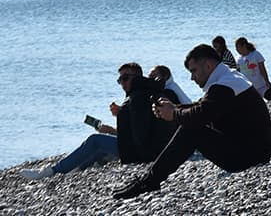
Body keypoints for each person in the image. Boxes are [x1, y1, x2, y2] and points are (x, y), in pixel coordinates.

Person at [111, 44, 271, 200]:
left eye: (194, 71)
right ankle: (148, 179)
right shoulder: (229, 77)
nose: (192, 77)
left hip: (249, 157)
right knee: (191, 123)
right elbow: (204, 107)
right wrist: (175, 108)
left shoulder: (224, 85)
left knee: (191, 129)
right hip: (254, 150)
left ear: (209, 65)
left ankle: (149, 182)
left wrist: (174, 113)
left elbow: (200, 114)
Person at [21, 62, 178, 180]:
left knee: (95, 140)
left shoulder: (137, 97)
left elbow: (140, 133)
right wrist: (121, 117)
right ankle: (71, 171)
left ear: (137, 77)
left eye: (125, 78)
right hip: (144, 149)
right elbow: (138, 128)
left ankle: (52, 172)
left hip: (141, 153)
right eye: (120, 80)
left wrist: (118, 130)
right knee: (98, 148)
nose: (122, 82)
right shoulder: (140, 93)